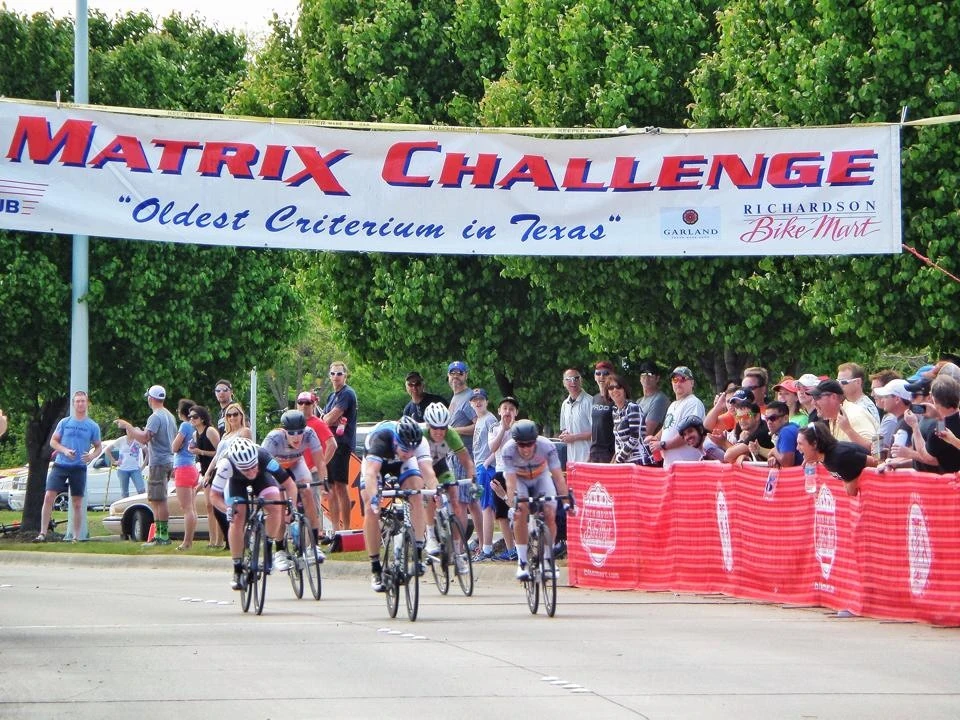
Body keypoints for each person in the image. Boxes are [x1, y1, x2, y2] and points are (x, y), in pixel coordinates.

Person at [359, 416, 439, 592]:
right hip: (376, 465)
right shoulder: (380, 439)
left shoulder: (419, 443)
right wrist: (374, 498)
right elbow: (371, 474)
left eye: (413, 448)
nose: (409, 452)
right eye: (405, 448)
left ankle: (417, 552)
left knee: (416, 493)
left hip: (402, 466)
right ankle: (375, 568)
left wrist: (436, 491)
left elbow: (427, 471)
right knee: (371, 509)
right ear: (396, 440)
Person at [209, 437, 293, 590]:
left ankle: (268, 546)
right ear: (236, 464)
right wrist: (226, 509)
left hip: (263, 479)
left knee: (275, 507)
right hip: (236, 483)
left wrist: (290, 506)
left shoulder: (264, 457)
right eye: (246, 469)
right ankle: (237, 568)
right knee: (236, 518)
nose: (251, 471)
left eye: (253, 466)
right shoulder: (225, 464)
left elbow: (289, 484)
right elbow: (214, 496)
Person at [502, 419, 570, 581]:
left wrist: (567, 503)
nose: (525, 449)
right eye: (521, 445)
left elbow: (559, 478)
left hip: (541, 477)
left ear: (536, 441)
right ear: (515, 442)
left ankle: (548, 559)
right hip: (520, 480)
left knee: (550, 510)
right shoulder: (508, 450)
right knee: (521, 511)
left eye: (529, 444)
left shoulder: (547, 446)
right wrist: (513, 504)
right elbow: (511, 482)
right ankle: (523, 562)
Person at [35, 390, 102, 543]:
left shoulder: (92, 426)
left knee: (77, 502)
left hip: (78, 467)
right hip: (61, 464)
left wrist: (91, 456)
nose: (80, 404)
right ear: (73, 404)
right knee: (49, 496)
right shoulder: (65, 423)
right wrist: (64, 450)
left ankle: (76, 537)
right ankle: (42, 533)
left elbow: (98, 447)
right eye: (77, 401)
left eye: (82, 401)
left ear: (87, 403)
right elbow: (53, 442)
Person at [261, 409, 328, 562]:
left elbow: (320, 461)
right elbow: (262, 465)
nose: (297, 437)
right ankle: (279, 550)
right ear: (284, 432)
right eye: (291, 433)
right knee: (281, 505)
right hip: (276, 467)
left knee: (308, 492)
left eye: (300, 432)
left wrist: (324, 481)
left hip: (297, 463)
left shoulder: (310, 434)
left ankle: (314, 546)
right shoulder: (273, 439)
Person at [115, 386, 177, 546]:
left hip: (159, 462)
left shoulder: (155, 417)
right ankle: (159, 534)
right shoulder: (169, 415)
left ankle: (162, 536)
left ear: (151, 398)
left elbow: (144, 438)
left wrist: (128, 427)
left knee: (158, 500)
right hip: (168, 460)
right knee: (157, 499)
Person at [422, 401, 476, 561]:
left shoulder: (451, 434)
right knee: (432, 495)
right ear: (428, 425)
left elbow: (467, 460)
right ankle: (430, 535)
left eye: (443, 428)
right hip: (421, 466)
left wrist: (473, 477)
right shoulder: (420, 435)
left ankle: (457, 548)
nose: (439, 432)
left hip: (440, 465)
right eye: (435, 428)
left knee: (456, 500)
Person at [202, 401, 252, 545]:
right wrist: (208, 472)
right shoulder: (225, 435)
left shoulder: (244, 431)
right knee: (217, 506)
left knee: (235, 504)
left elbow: (246, 451)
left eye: (235, 414)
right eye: (229, 415)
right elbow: (218, 455)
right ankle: (228, 539)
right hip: (220, 470)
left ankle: (239, 539)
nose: (232, 417)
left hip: (235, 471)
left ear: (241, 415)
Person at [645, 366, 706, 468]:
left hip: (688, 466)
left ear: (692, 383)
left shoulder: (693, 403)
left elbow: (689, 435)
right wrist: (654, 438)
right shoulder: (673, 405)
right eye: (675, 379)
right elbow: (667, 427)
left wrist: (662, 445)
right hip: (670, 466)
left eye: (682, 379)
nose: (678, 383)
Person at [322, 361, 358, 533]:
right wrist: (329, 418)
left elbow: (328, 419)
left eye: (339, 373)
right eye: (333, 374)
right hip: (330, 443)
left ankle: (347, 529)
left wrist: (330, 418)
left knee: (340, 485)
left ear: (345, 375)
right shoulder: (331, 396)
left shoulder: (347, 394)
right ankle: (335, 529)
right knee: (330, 487)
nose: (336, 377)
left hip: (342, 444)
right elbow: (326, 419)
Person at [797, 421, 877, 497]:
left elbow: (875, 462)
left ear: (814, 444)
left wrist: (851, 484)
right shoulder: (826, 457)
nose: (797, 448)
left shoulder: (840, 456)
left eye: (800, 444)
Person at [295, 391, 336, 535]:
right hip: (295, 469)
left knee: (312, 502)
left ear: (313, 404)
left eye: (307, 403)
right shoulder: (294, 421)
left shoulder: (318, 423)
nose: (304, 406)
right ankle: (297, 534)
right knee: (294, 503)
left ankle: (315, 534)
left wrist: (320, 464)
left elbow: (332, 444)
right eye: (300, 402)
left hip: (312, 471)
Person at [902, 374, 960, 474]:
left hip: (949, 485)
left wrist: (914, 426)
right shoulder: (942, 425)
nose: (911, 399)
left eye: (914, 395)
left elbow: (926, 456)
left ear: (932, 397)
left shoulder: (937, 431)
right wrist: (938, 416)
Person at [485, 396, 519, 562]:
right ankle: (511, 549)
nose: (507, 412)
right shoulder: (494, 428)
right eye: (504, 408)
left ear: (516, 412)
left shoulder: (519, 428)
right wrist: (503, 429)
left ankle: (521, 546)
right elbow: (493, 447)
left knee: (517, 508)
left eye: (511, 409)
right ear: (499, 411)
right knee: (501, 513)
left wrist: (512, 427)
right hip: (500, 471)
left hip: (516, 472)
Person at [808, 378, 878, 450]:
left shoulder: (854, 415)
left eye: (817, 397)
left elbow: (874, 449)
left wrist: (849, 430)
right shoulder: (834, 417)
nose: (813, 403)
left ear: (833, 397)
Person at [186, 405, 221, 548]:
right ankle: (212, 540)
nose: (192, 420)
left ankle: (219, 540)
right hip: (205, 472)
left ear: (202, 418)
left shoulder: (210, 431)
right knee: (208, 506)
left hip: (217, 471)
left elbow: (220, 452)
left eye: (195, 417)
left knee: (216, 505)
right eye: (190, 417)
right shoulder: (195, 435)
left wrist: (201, 451)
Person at [471, 388, 499, 561]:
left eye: (481, 399)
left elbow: (498, 445)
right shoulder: (479, 420)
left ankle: (487, 549)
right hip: (479, 466)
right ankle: (483, 545)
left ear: (487, 401)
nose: (478, 402)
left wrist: (486, 464)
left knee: (487, 507)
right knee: (483, 506)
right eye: (474, 400)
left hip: (487, 468)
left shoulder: (490, 420)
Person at [170, 398, 199, 550]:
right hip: (193, 467)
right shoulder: (195, 427)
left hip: (183, 467)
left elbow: (174, 447)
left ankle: (187, 542)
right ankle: (190, 540)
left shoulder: (185, 426)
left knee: (186, 508)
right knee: (192, 507)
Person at [608, 375, 652, 464]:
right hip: (625, 463)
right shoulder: (615, 411)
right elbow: (618, 441)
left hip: (641, 461)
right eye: (611, 388)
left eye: (618, 387)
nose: (615, 390)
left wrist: (618, 459)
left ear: (624, 390)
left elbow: (635, 438)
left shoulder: (633, 408)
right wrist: (615, 461)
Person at [558, 367, 592, 464]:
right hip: (571, 460)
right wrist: (564, 436)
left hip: (588, 458)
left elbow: (597, 432)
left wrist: (574, 437)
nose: (573, 382)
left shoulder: (589, 401)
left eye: (576, 378)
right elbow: (565, 430)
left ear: (581, 381)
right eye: (569, 379)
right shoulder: (565, 404)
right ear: (564, 383)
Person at [723, 400, 773, 465]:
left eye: (746, 416)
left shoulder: (761, 431)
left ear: (757, 416)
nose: (742, 420)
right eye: (739, 417)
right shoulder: (741, 427)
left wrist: (741, 440)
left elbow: (728, 456)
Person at [589, 361, 616, 462]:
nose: (601, 376)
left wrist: (615, 456)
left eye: (606, 373)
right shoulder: (595, 398)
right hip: (594, 453)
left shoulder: (615, 397)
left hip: (609, 453)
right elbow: (594, 428)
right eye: (598, 373)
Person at [636, 360, 670, 438]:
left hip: (653, 447)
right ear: (640, 378)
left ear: (657, 378)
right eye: (643, 374)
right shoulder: (639, 401)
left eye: (650, 374)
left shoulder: (660, 399)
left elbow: (647, 432)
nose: (646, 377)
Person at [764, 400, 800, 468]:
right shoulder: (793, 427)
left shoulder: (786, 431)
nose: (769, 422)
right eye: (767, 418)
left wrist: (773, 451)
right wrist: (775, 458)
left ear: (785, 418)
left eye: (772, 418)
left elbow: (787, 464)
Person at [112, 433, 146, 498]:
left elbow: (147, 452)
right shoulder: (121, 440)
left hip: (135, 469)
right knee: (124, 493)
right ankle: (126, 507)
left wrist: (143, 466)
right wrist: (113, 461)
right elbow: (107, 450)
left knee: (141, 490)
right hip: (122, 470)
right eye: (127, 429)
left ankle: (142, 506)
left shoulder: (137, 440)